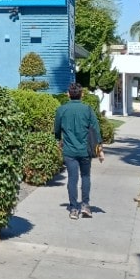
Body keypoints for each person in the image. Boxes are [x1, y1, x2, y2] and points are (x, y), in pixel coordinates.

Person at [54, 82, 104, 219]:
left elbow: (57, 130)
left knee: (72, 178)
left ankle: (74, 208)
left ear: (68, 94)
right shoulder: (87, 109)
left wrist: (59, 139)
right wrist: (99, 148)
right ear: (82, 94)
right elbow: (96, 130)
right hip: (85, 151)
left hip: (69, 151)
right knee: (86, 177)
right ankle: (86, 205)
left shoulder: (61, 110)